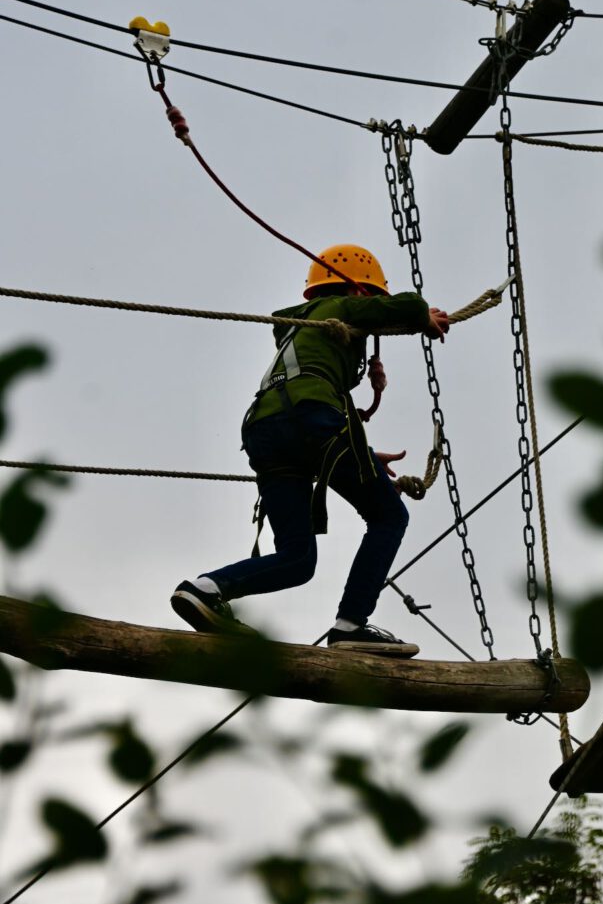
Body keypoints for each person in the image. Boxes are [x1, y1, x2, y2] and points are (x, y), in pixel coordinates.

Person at [171, 244, 450, 657]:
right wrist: (420, 318)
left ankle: (205, 589)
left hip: (266, 429)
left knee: (297, 558)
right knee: (389, 515)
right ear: (358, 292)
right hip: (310, 420)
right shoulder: (343, 307)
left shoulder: (298, 327)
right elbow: (410, 306)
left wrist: (366, 456)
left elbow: (307, 409)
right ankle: (351, 625)